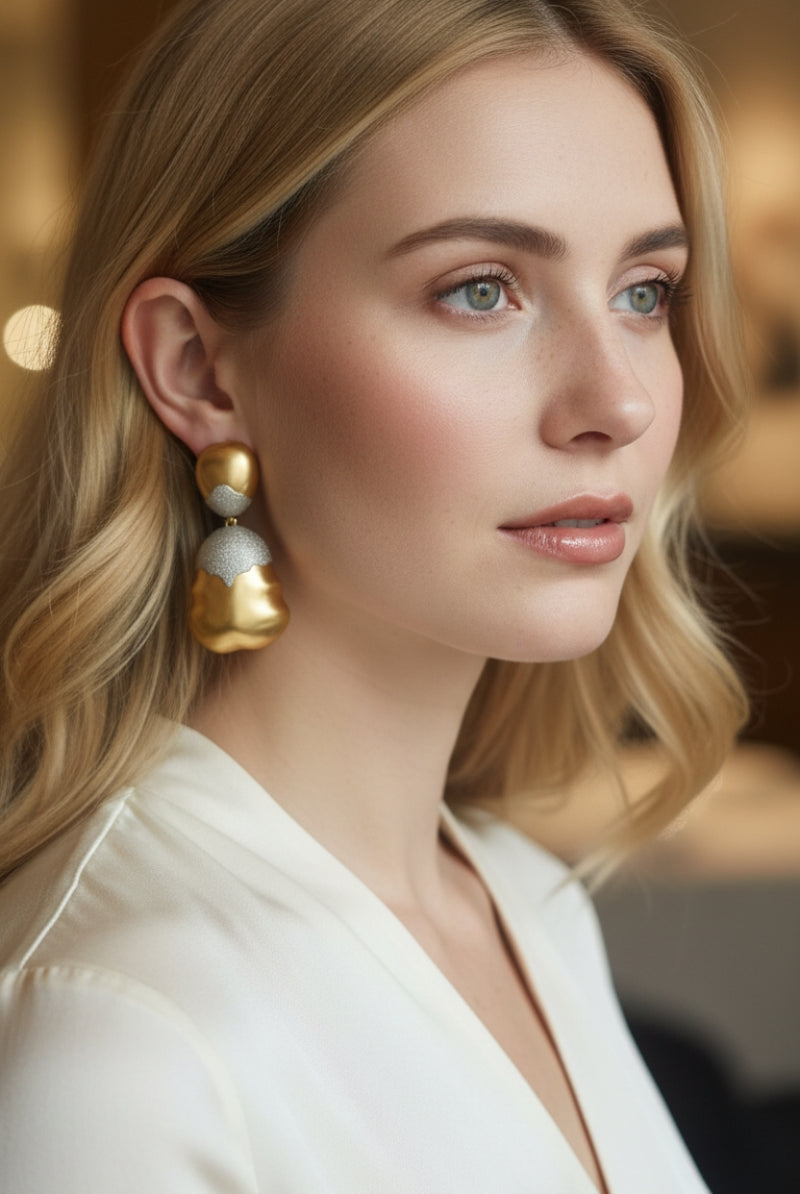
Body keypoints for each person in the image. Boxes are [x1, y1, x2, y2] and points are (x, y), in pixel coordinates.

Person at [0, 0, 748, 1190]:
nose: (618, 402)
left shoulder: (524, 897)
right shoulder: (123, 1036)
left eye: (644, 291)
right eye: (479, 290)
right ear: (197, 368)